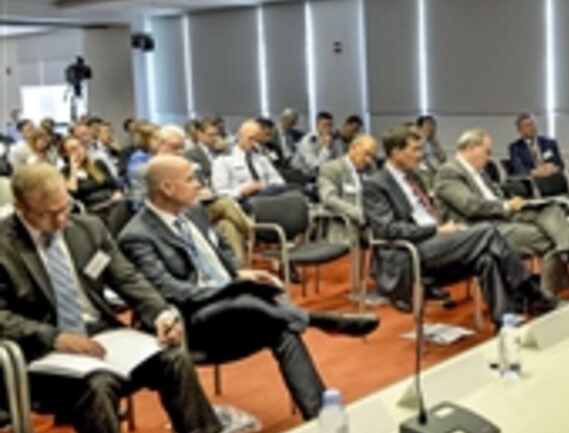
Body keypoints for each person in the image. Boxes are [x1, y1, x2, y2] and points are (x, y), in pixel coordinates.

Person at [0, 164, 244, 433]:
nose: (61, 220)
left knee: (173, 358)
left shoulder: (86, 228)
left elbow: (127, 277)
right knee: (96, 388)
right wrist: (55, 337)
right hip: (43, 357)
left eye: (65, 207)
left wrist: (161, 312)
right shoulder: (3, 245)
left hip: (102, 337)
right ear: (20, 208)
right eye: (48, 214)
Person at [119, 156, 377, 417]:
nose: (198, 185)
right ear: (167, 188)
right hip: (189, 319)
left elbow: (222, 247)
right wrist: (228, 290)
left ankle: (321, 416)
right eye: (190, 179)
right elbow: (168, 290)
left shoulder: (194, 211)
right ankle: (317, 320)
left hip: (235, 310)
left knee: (283, 329)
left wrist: (240, 271)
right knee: (247, 298)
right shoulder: (137, 235)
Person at [363, 124, 556, 320]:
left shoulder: (413, 177)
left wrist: (442, 229)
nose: (420, 155)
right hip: (412, 250)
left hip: (437, 241)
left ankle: (503, 319)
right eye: (415, 149)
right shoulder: (375, 185)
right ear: (396, 152)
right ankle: (531, 292)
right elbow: (387, 229)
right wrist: (435, 230)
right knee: (487, 231)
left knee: (486, 259)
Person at [435, 128, 569, 296]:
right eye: (487, 152)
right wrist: (506, 206)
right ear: (471, 148)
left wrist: (512, 202)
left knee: (550, 209)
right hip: (480, 227)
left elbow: (496, 195)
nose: (489, 157)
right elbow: (469, 206)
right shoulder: (448, 173)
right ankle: (546, 296)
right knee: (549, 238)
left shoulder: (479, 171)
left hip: (501, 216)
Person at [60, 135, 129, 236]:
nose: (78, 151)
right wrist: (73, 170)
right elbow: (72, 195)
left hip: (113, 202)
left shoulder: (98, 164)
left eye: (80, 146)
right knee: (113, 218)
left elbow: (114, 184)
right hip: (94, 209)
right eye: (72, 149)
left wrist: (117, 192)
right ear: (65, 154)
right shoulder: (64, 173)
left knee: (124, 205)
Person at [211, 119, 289, 206]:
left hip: (266, 198)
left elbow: (279, 181)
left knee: (294, 197)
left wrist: (265, 187)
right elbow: (220, 194)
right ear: (239, 136)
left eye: (256, 139)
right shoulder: (223, 160)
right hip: (241, 203)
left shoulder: (261, 158)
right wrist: (242, 191)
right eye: (250, 138)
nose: (254, 144)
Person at [318, 133, 378, 244]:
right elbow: (329, 198)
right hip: (346, 223)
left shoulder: (370, 168)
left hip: (371, 223)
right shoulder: (331, 168)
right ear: (352, 148)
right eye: (366, 154)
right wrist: (358, 214)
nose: (369, 160)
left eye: (372, 156)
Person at [507, 113, 564, 177]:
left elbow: (560, 165)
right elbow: (518, 169)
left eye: (533, 124)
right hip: (531, 180)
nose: (532, 128)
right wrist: (535, 172)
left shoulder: (549, 143)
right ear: (520, 130)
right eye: (527, 125)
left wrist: (553, 169)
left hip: (550, 178)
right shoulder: (515, 148)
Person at [293, 111, 341, 176]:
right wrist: (326, 148)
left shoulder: (333, 139)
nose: (328, 128)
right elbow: (317, 168)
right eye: (325, 125)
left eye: (330, 125)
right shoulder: (308, 140)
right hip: (301, 175)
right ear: (317, 125)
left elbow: (340, 159)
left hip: (324, 175)